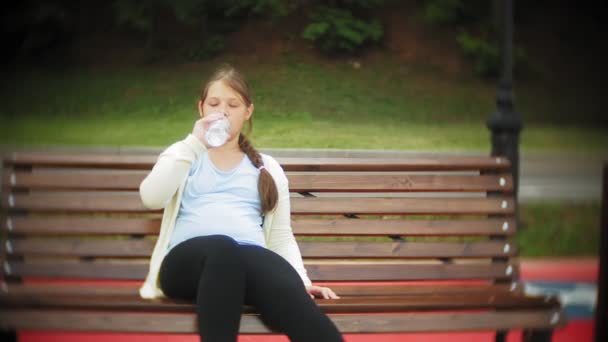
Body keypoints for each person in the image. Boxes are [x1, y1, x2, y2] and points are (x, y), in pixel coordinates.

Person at [138, 64, 344, 342]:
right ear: (201, 109)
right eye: (214, 103)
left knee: (276, 274)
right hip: (186, 267)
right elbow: (151, 198)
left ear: (247, 112)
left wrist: (301, 282)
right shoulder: (185, 154)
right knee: (223, 248)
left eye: (233, 104)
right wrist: (194, 143)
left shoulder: (266, 168)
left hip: (245, 265)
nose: (222, 111)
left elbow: (282, 237)